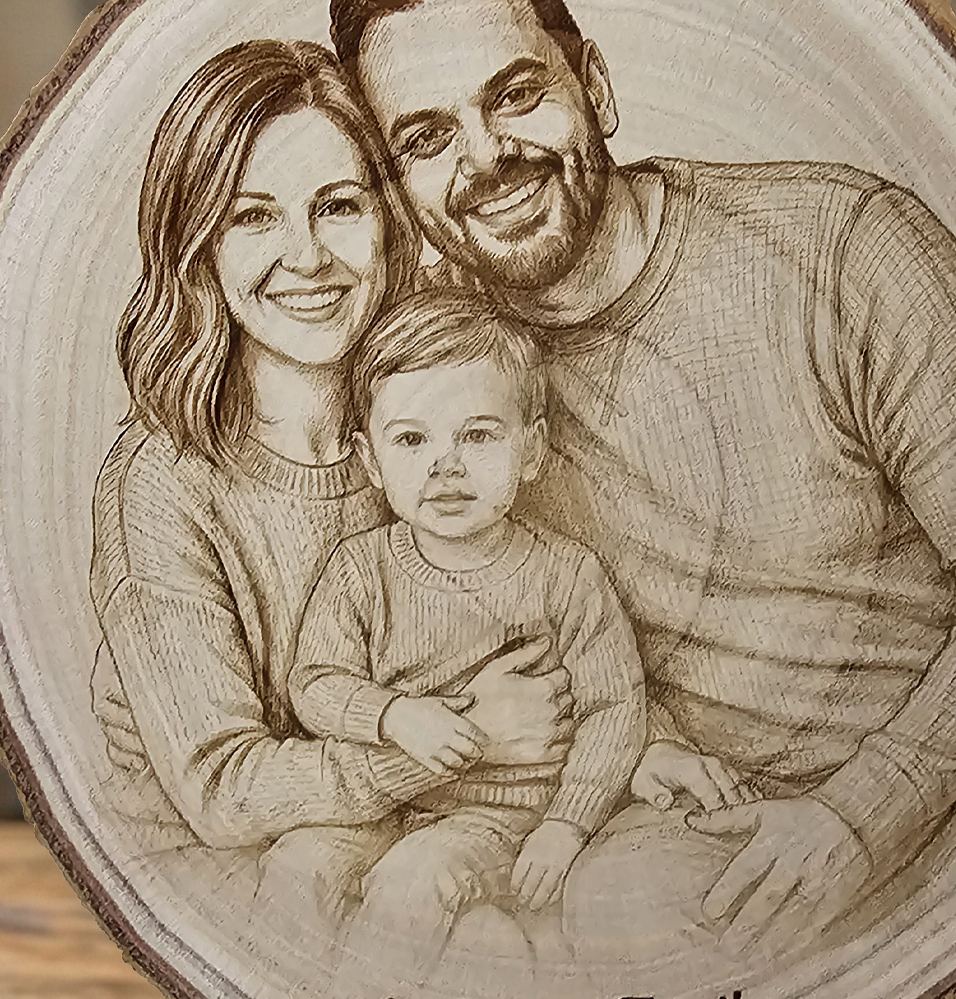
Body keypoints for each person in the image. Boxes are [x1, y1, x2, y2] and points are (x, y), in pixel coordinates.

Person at [327, 0, 956, 960]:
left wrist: (860, 815)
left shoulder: (842, 246)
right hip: (714, 827)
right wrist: (634, 743)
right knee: (595, 934)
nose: (487, 159)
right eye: (426, 139)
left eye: (517, 94)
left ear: (594, 89)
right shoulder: (443, 390)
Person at [89, 38, 571, 889]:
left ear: (388, 223)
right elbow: (222, 793)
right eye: (252, 216)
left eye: (339, 206)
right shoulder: (162, 481)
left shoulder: (437, 415)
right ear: (197, 246)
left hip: (416, 858)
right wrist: (467, 737)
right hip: (211, 899)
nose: (307, 256)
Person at [278, 293, 725, 959]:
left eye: (478, 435)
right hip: (388, 801)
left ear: (533, 450)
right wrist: (394, 715)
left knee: (414, 880)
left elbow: (615, 710)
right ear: (370, 461)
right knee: (296, 864)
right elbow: (313, 683)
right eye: (411, 439)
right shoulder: (359, 568)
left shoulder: (565, 574)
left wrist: (567, 826)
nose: (445, 465)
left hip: (509, 815)